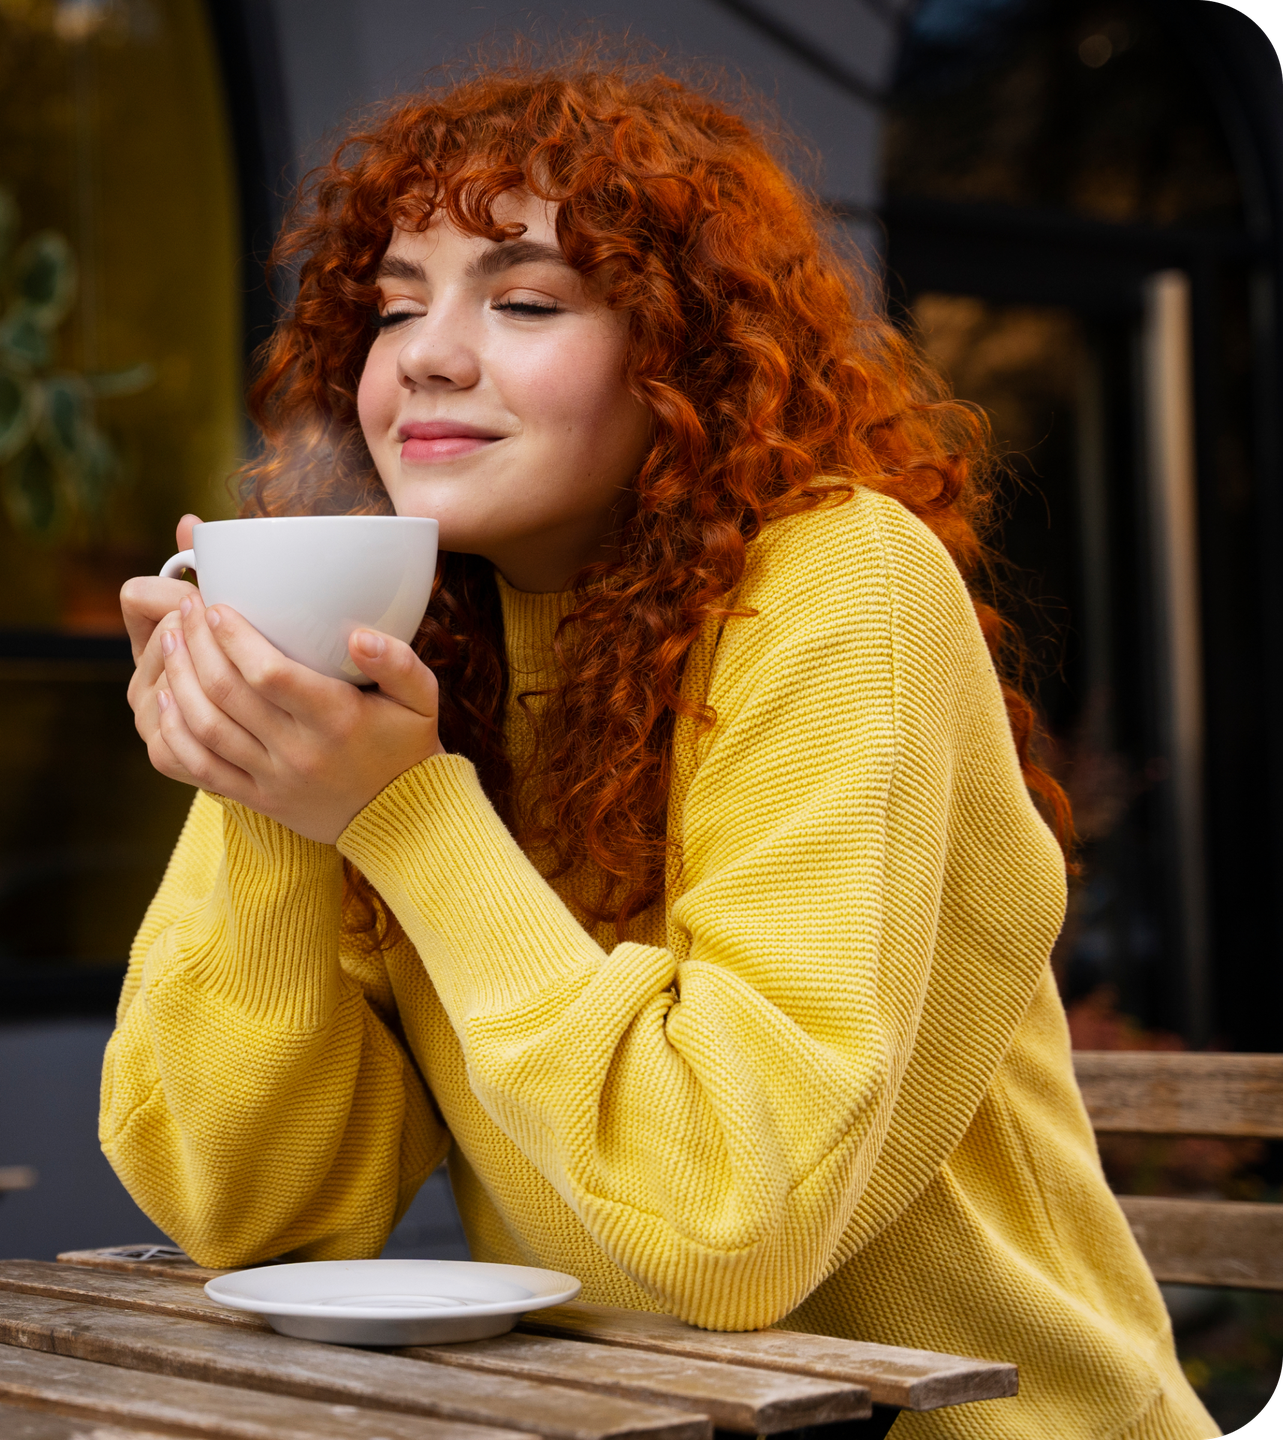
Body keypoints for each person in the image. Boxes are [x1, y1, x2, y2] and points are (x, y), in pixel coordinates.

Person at [103, 58, 1216, 1440]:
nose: (429, 353)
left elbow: (731, 1228)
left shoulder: (840, 587)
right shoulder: (418, 637)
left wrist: (404, 812)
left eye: (522, 300)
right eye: (396, 305)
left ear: (684, 354)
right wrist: (266, 769)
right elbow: (250, 1213)